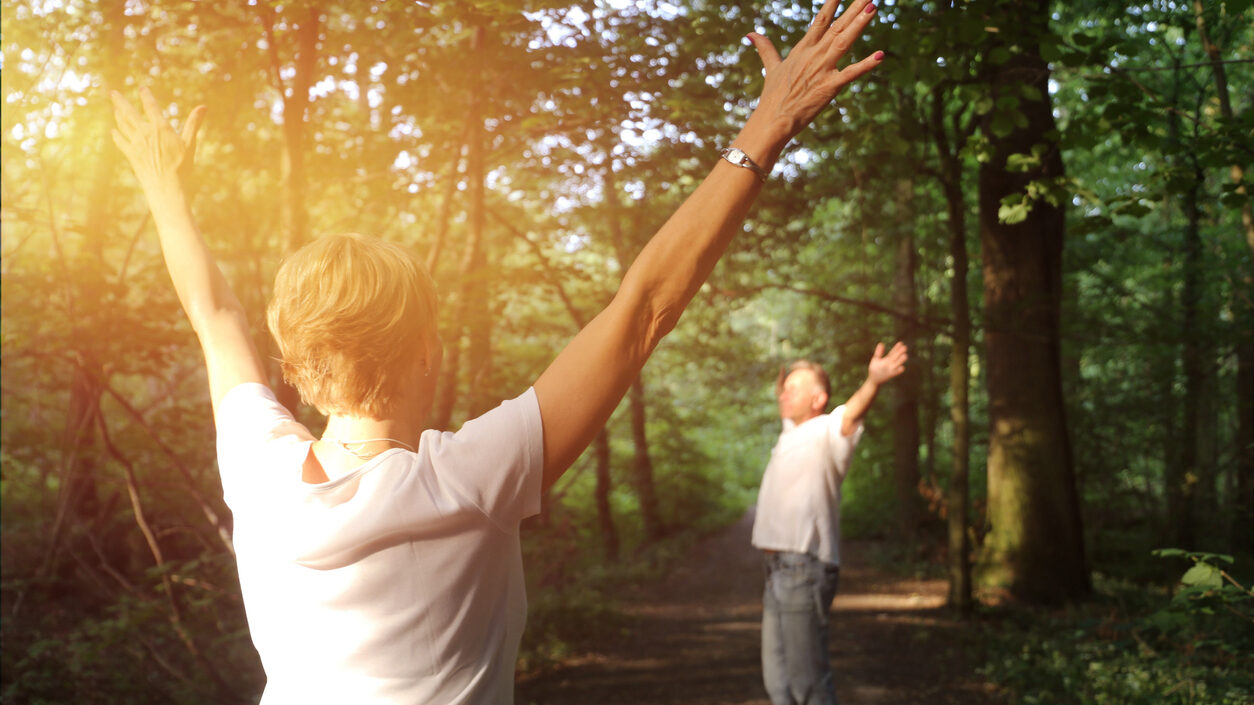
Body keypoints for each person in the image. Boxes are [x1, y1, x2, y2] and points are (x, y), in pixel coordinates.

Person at [109, 0, 885, 701]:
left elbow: (212, 313)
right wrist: (766, 126)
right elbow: (644, 307)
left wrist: (162, 187)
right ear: (425, 352)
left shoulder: (258, 469)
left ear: (298, 361)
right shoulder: (471, 479)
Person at [752, 343, 909, 705]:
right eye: (784, 388)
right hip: (775, 571)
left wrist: (873, 381)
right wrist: (788, 376)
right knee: (778, 684)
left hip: (803, 569)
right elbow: (784, 392)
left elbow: (852, 412)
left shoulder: (827, 432)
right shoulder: (789, 434)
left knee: (808, 683)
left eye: (795, 389)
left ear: (819, 398)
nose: (784, 394)